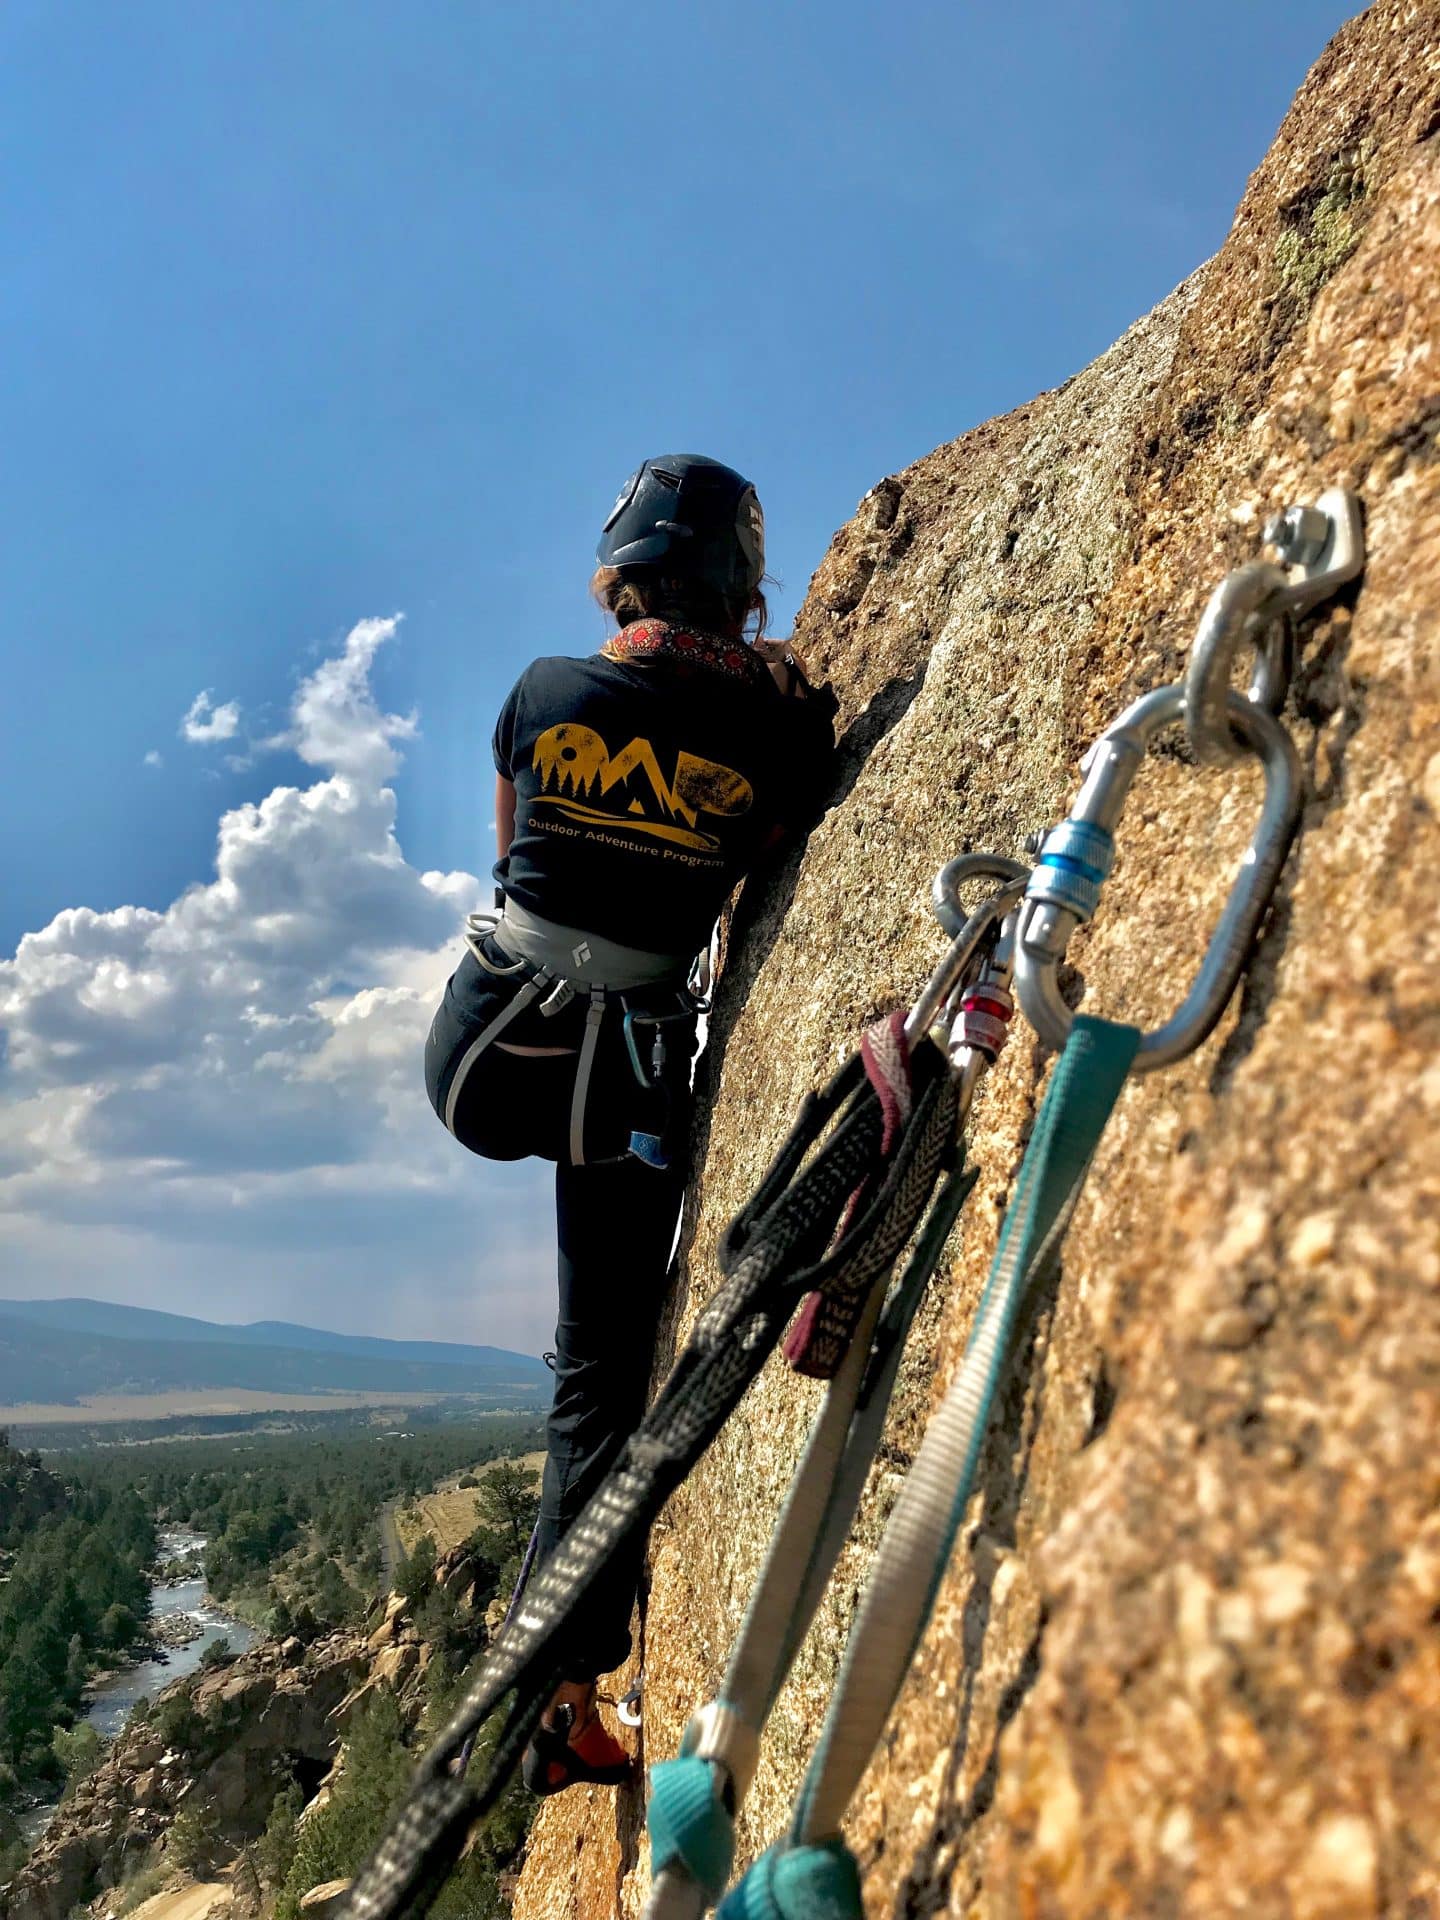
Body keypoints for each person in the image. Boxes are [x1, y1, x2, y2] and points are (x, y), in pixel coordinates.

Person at [424, 455, 836, 1794]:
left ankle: (549, 1703)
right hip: (633, 1088)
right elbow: (762, 852)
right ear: (742, 589)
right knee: (599, 1382)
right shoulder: (779, 728)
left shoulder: (544, 694)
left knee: (588, 1367)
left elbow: (515, 851)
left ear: (621, 578)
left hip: (489, 1051)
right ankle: (558, 1701)